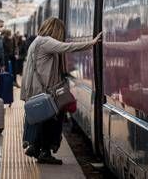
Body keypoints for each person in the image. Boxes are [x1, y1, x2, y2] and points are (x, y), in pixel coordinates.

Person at [20, 17, 102, 164]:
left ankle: (38, 148)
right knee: (51, 120)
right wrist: (92, 42)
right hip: (44, 91)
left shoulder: (37, 41)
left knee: (45, 120)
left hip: (36, 89)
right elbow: (68, 47)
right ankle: (41, 149)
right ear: (56, 30)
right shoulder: (46, 42)